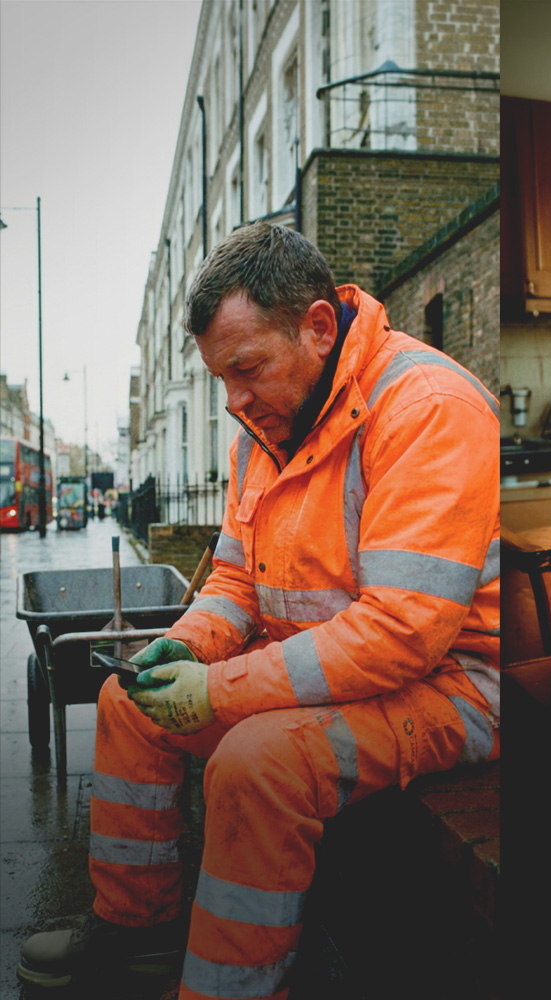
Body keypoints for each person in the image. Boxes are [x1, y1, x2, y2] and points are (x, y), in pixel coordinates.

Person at [18, 223, 500, 997]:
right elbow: (236, 583)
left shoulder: (428, 405)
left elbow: (404, 632)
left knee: (255, 763)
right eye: (222, 380)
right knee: (128, 702)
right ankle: (134, 930)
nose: (235, 403)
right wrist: (187, 647)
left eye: (247, 370)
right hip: (329, 668)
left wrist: (219, 691)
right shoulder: (263, 427)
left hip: (456, 687)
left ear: (316, 327)